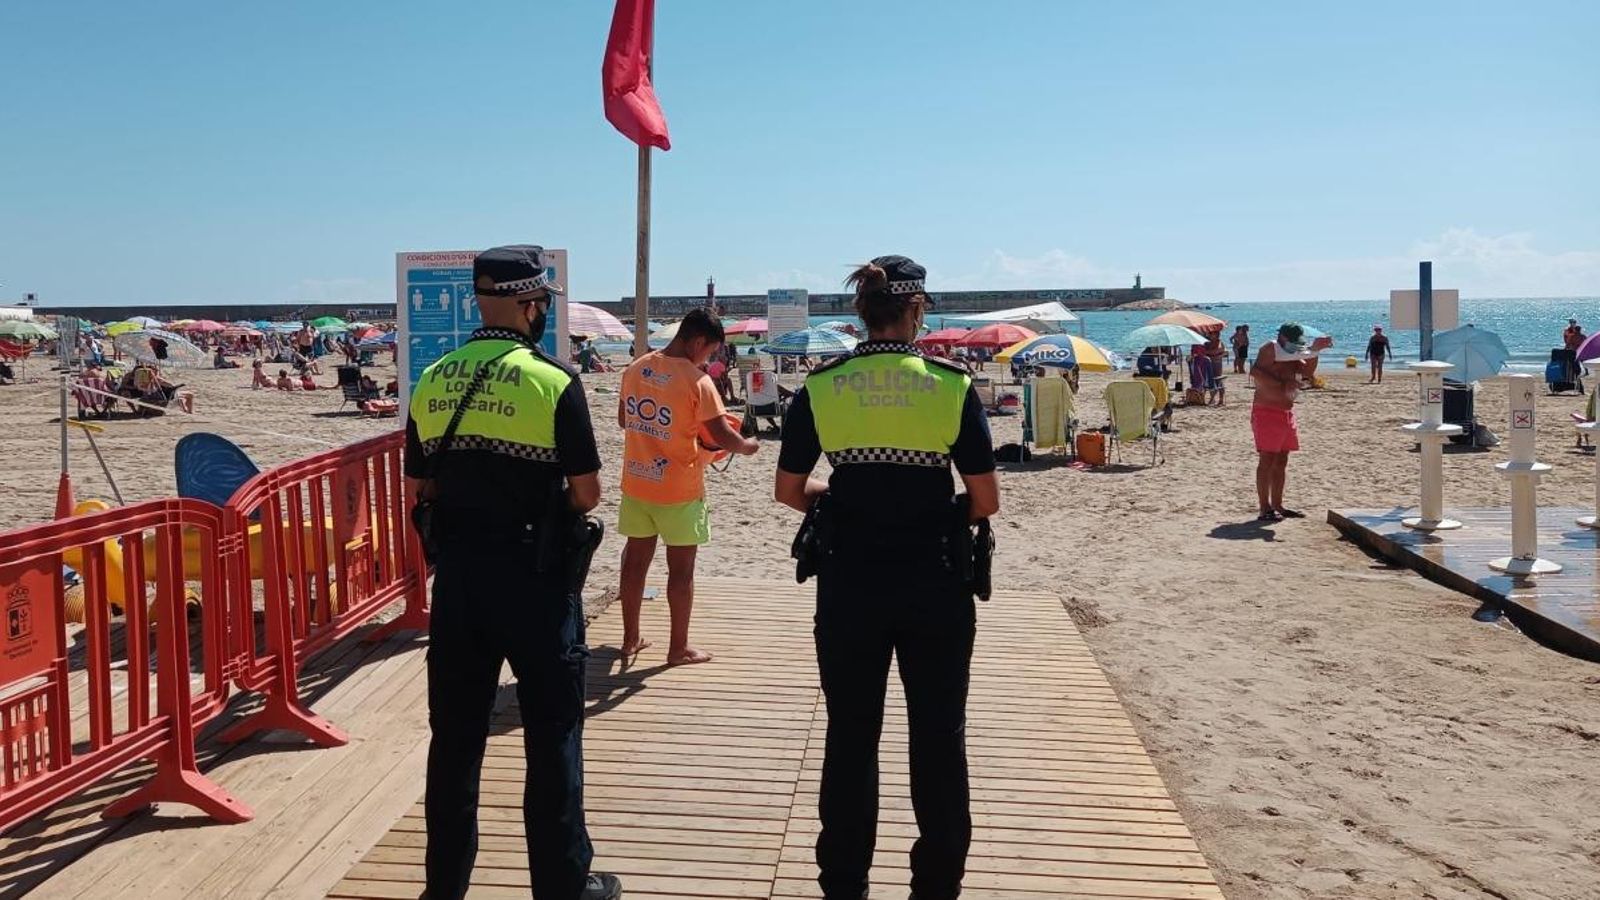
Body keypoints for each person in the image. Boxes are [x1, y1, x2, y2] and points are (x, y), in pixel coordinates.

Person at [775, 255, 1000, 900]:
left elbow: (789, 489)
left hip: (849, 580)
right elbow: (984, 501)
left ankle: (843, 884)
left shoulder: (824, 384)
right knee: (938, 735)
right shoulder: (950, 384)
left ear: (861, 312)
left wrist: (835, 497)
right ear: (917, 310)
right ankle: (936, 886)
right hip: (935, 578)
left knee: (850, 735)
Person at [403, 245, 620, 900]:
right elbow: (587, 493)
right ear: (531, 305)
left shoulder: (435, 376)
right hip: (536, 577)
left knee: (455, 742)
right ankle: (563, 886)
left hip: (462, 581)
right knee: (552, 738)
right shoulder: (551, 380)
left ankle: (443, 888)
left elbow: (419, 485)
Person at [615, 308, 757, 666]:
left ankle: (630, 638)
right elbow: (722, 433)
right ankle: (678, 649)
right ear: (697, 342)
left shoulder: (636, 367)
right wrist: (747, 446)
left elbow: (622, 419)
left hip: (636, 482)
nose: (708, 359)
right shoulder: (698, 381)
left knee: (634, 564)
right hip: (679, 488)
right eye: (710, 351)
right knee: (681, 573)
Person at [1250, 322, 1334, 522]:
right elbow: (1256, 374)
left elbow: (1306, 372)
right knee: (1267, 458)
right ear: (1282, 338)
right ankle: (1264, 507)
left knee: (1282, 459)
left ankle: (1278, 504)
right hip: (1266, 411)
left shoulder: (1296, 353)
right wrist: (1283, 384)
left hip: (1286, 411)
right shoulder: (1270, 348)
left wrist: (1315, 352)